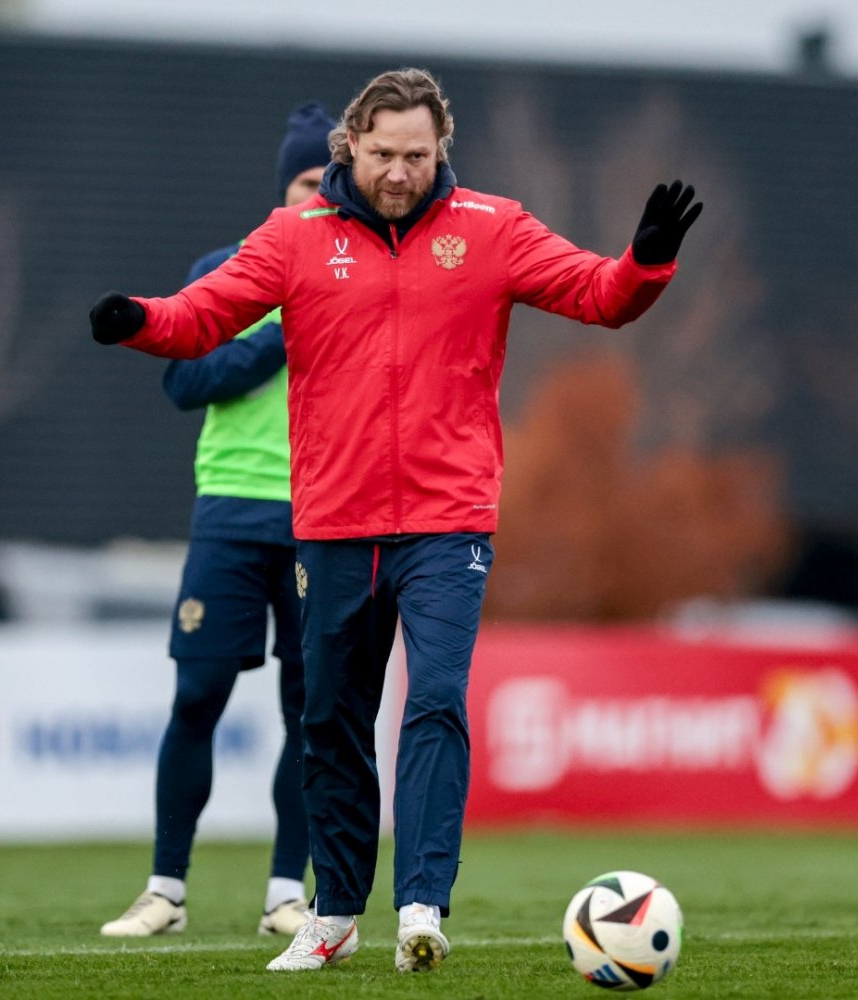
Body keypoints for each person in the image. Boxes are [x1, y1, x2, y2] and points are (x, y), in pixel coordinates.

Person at [89, 67, 702, 972]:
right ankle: (333, 915)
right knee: (331, 718)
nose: (400, 172)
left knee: (437, 700)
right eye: (383, 154)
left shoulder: (493, 228)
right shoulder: (293, 237)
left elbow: (599, 296)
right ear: (352, 147)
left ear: (441, 147)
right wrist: (136, 320)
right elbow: (199, 319)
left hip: (448, 523)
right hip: (333, 523)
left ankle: (421, 904)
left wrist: (644, 262)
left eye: (418, 155)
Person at [99, 102, 336, 940]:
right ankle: (165, 890)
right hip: (231, 513)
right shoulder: (227, 269)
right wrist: (282, 333)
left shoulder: (357, 276)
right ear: (284, 189)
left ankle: (286, 896)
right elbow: (183, 382)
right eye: (308, 180)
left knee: (312, 712)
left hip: (322, 518)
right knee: (197, 694)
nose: (321, 193)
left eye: (332, 181)